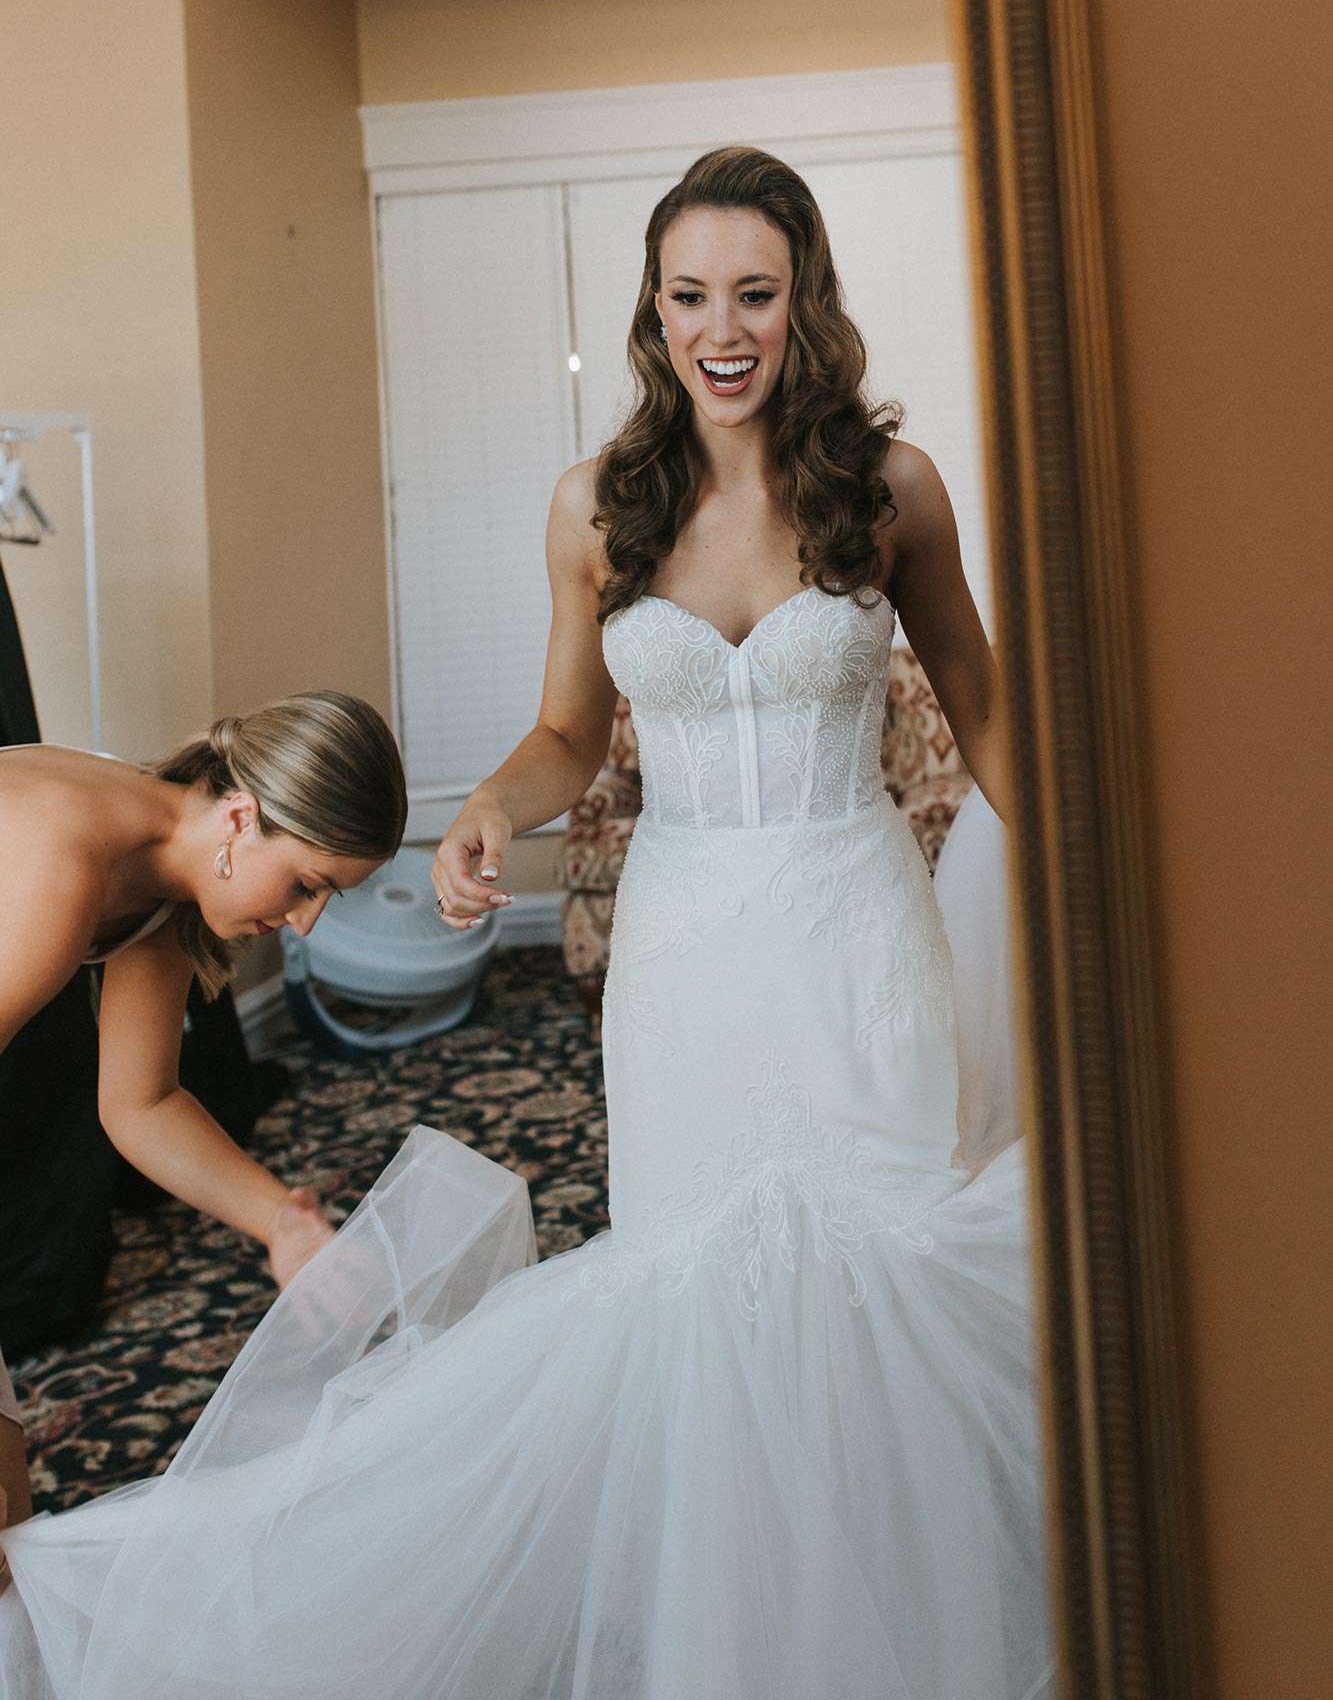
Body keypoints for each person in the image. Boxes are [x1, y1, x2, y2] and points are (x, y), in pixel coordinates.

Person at [0, 149, 1050, 1698]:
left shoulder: (890, 490)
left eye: (753, 292)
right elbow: (571, 732)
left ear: (804, 301)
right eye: (689, 295)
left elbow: (985, 712)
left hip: (852, 924)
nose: (722, 329)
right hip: (688, 951)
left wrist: (1108, 879)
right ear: (653, 308)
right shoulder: (597, 505)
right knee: (695, 1294)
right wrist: (495, 801)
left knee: (874, 1265)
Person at [0, 691, 408, 1566]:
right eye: (306, 885)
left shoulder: (161, 879)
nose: (303, 922)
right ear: (240, 813)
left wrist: (281, 1218)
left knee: (9, 1520)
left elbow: (139, 1105)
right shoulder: (69, 856)